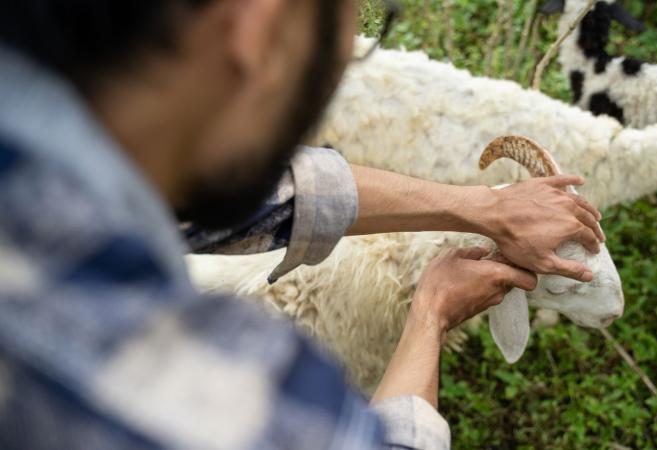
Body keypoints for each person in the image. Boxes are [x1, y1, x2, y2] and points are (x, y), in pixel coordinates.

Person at [0, 0, 604, 448]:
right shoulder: (129, 371)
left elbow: (282, 191)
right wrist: (428, 319)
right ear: (261, 30)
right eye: (355, 43)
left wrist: (482, 207)